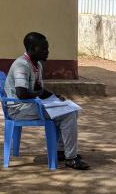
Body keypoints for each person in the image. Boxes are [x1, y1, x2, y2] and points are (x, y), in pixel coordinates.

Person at [5, 32, 89, 169]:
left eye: (47, 48)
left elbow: (39, 90)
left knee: (71, 111)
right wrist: (39, 94)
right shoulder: (22, 65)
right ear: (32, 49)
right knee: (67, 115)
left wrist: (55, 97)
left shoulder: (36, 65)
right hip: (19, 109)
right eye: (43, 49)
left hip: (29, 105)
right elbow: (22, 93)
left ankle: (62, 151)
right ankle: (71, 158)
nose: (47, 52)